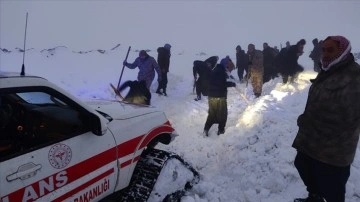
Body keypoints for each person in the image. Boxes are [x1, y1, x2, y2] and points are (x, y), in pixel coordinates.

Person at [292, 36, 360, 202]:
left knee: (333, 187)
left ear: (343, 51)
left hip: (335, 147)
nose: (325, 54)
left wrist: (315, 123)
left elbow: (351, 116)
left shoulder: (354, 76)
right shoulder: (328, 70)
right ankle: (314, 196)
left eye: (330, 50)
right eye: (323, 49)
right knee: (302, 164)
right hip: (312, 139)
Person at [203, 57, 236, 136]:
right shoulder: (221, 72)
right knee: (223, 114)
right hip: (220, 97)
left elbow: (216, 82)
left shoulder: (215, 70)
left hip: (211, 97)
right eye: (228, 66)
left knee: (212, 114)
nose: (228, 68)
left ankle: (206, 129)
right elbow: (221, 84)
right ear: (225, 65)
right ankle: (221, 131)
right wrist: (231, 84)